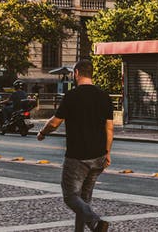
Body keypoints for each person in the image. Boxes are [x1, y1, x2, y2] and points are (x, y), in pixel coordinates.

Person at [37, 59, 113, 232]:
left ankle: (96, 222)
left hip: (77, 157)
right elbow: (109, 128)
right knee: (83, 200)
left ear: (76, 73)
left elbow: (54, 123)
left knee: (71, 197)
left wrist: (42, 133)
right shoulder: (104, 96)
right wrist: (108, 152)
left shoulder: (71, 96)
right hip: (99, 156)